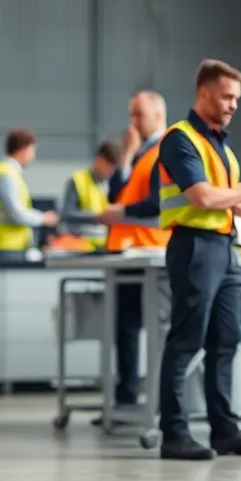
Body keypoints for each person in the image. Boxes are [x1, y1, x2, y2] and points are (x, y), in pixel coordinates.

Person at [153, 60, 241, 460]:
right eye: (227, 97)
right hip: (194, 246)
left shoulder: (221, 146)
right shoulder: (180, 139)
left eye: (237, 99)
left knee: (226, 340)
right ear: (204, 92)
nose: (233, 105)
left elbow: (234, 204)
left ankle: (224, 430)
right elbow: (203, 198)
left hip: (224, 249)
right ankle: (174, 434)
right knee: (187, 339)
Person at [95, 91, 172, 410]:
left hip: (151, 252)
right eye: (130, 115)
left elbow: (159, 201)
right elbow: (116, 192)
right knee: (123, 329)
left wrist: (123, 213)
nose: (133, 122)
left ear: (157, 114)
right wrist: (126, 156)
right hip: (127, 251)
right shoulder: (139, 151)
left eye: (138, 115)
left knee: (154, 331)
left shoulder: (168, 148)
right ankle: (126, 397)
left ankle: (157, 400)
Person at [0, 128, 59, 259]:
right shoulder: (6, 174)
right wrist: (44, 218)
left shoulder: (8, 172)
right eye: (32, 149)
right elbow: (16, 213)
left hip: (8, 247)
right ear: (24, 148)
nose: (33, 155)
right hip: (6, 248)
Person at [59, 141, 122, 251]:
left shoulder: (112, 184)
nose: (110, 172)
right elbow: (66, 214)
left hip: (107, 245)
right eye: (108, 166)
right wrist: (98, 217)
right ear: (99, 159)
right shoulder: (78, 180)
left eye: (113, 168)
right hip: (82, 247)